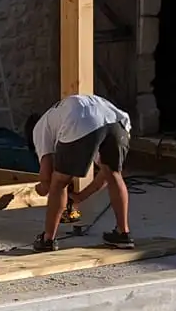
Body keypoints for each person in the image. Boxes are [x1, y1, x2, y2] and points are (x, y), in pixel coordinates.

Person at [27, 93, 134, 252]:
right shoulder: (58, 116)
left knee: (60, 182)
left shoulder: (39, 128)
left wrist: (39, 190)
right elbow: (104, 175)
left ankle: (47, 239)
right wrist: (80, 196)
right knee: (113, 174)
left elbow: (46, 174)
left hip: (81, 119)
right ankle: (123, 233)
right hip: (118, 122)